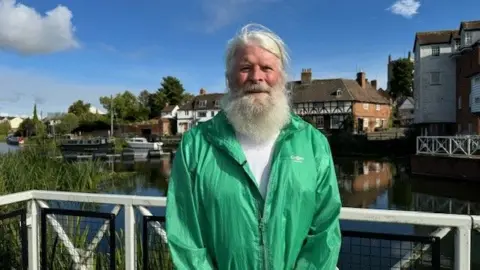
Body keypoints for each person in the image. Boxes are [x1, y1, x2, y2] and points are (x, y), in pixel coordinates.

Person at [166, 23, 342, 270]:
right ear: (229, 79)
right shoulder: (195, 144)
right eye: (245, 68)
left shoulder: (313, 143)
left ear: (281, 78)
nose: (256, 77)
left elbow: (325, 229)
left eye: (267, 68)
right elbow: (185, 232)